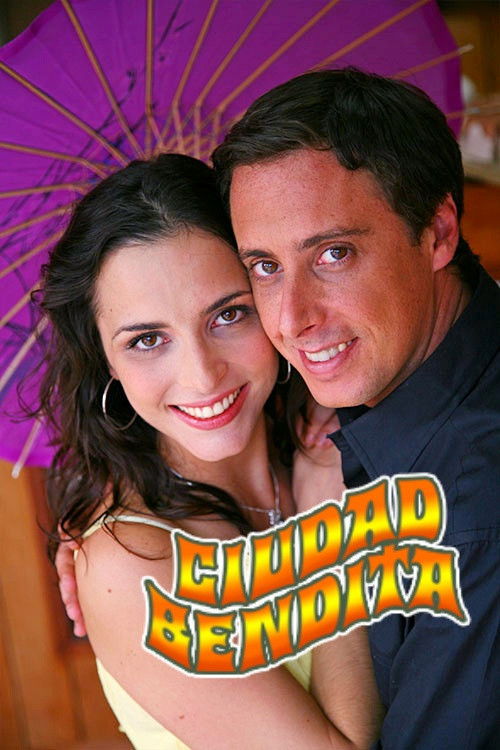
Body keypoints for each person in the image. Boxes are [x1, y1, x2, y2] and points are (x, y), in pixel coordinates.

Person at [41, 153, 381, 749]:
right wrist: (332, 517)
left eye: (228, 314)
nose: (202, 376)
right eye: (148, 339)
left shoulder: (344, 430)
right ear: (105, 361)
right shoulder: (133, 563)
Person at [211, 68, 500, 748]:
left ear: (438, 231)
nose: (291, 319)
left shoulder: (472, 508)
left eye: (334, 254)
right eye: (264, 266)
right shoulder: (374, 385)